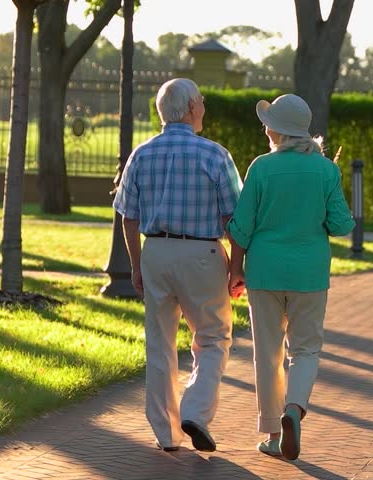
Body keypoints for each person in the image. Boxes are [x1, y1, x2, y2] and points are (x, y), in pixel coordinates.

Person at [113, 78, 242, 453]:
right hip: (202, 254)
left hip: (156, 251)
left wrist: (137, 265)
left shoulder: (141, 154)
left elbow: (128, 217)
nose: (203, 107)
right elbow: (234, 218)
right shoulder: (216, 155)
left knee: (160, 343)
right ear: (189, 109)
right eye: (201, 102)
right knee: (214, 337)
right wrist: (236, 267)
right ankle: (196, 413)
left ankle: (166, 434)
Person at [226, 94, 355, 460]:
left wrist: (235, 268)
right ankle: (294, 410)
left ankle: (271, 434)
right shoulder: (327, 170)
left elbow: (242, 226)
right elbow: (342, 224)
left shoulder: (261, 168)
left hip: (264, 271)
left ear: (276, 130)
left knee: (267, 353)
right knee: (305, 349)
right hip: (309, 273)